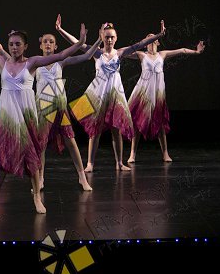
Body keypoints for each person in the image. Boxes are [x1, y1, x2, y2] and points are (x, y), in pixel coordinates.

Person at [0, 21, 86, 215]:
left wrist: (80, 42)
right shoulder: (1, 62)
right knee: (2, 159)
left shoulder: (32, 63)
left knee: (32, 156)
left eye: (18, 44)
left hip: (26, 115)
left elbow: (61, 55)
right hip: (8, 116)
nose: (14, 47)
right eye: (11, 44)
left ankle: (37, 197)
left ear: (25, 46)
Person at [57, 16, 165, 171]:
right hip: (98, 94)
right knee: (95, 131)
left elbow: (141, 43)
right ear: (102, 37)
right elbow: (76, 42)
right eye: (107, 37)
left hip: (115, 94)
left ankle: (119, 163)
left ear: (116, 38)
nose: (109, 40)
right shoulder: (97, 53)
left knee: (116, 129)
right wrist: (60, 29)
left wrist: (159, 35)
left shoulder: (120, 53)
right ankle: (90, 163)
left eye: (112, 37)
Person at [33, 27, 102, 191]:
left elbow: (86, 56)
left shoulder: (60, 62)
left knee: (70, 141)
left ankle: (82, 178)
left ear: (56, 46)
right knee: (41, 144)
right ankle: (40, 178)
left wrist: (99, 40)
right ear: (40, 46)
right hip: (43, 108)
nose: (48, 44)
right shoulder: (35, 63)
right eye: (45, 42)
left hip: (59, 107)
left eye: (51, 42)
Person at [126, 37, 205, 163]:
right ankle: (132, 154)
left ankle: (165, 153)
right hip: (144, 92)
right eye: (147, 39)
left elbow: (182, 50)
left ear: (157, 42)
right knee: (138, 123)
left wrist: (196, 52)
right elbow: (124, 53)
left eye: (153, 38)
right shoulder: (141, 55)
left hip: (157, 93)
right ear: (145, 43)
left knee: (161, 123)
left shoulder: (162, 54)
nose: (150, 40)